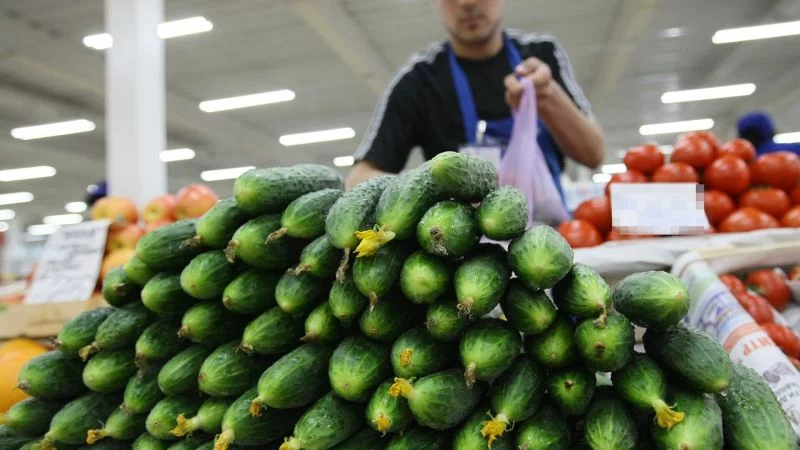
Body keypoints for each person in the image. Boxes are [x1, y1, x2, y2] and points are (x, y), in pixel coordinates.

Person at [346, 0, 605, 199]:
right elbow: (359, 178)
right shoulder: (419, 80)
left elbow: (594, 154)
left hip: (552, 239)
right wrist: (422, 194)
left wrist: (548, 97)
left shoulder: (541, 53)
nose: (466, 3)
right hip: (458, 245)